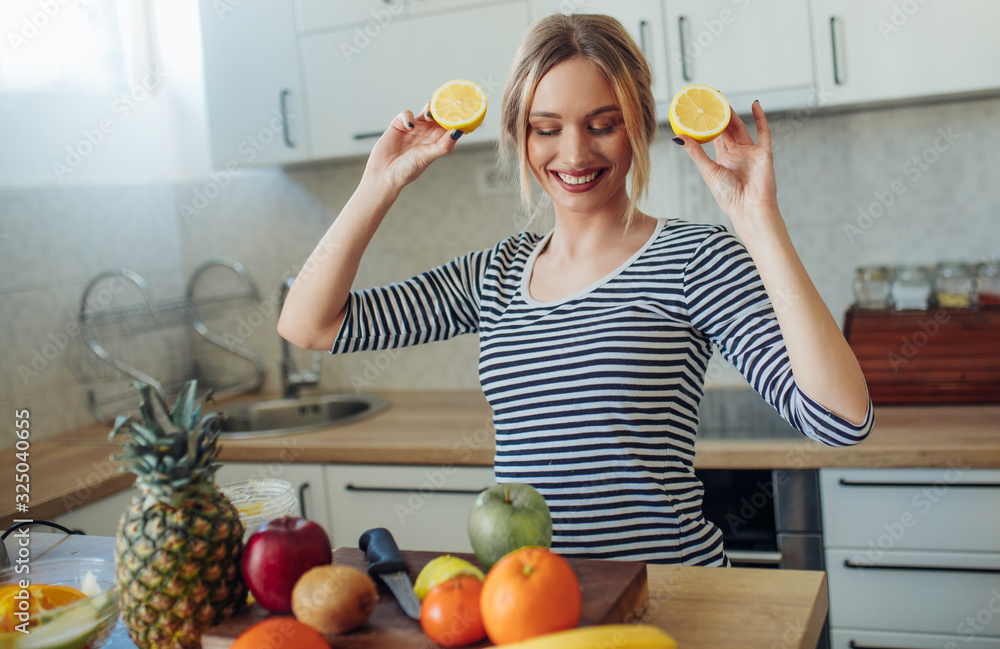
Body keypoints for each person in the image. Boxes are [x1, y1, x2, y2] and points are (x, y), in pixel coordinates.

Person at [277, 13, 873, 566]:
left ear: (636, 125)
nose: (574, 153)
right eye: (546, 128)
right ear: (521, 136)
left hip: (668, 597)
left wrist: (760, 222)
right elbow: (310, 325)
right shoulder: (494, 275)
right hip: (535, 605)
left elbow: (840, 421)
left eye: (603, 125)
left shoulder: (694, 259)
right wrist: (379, 183)